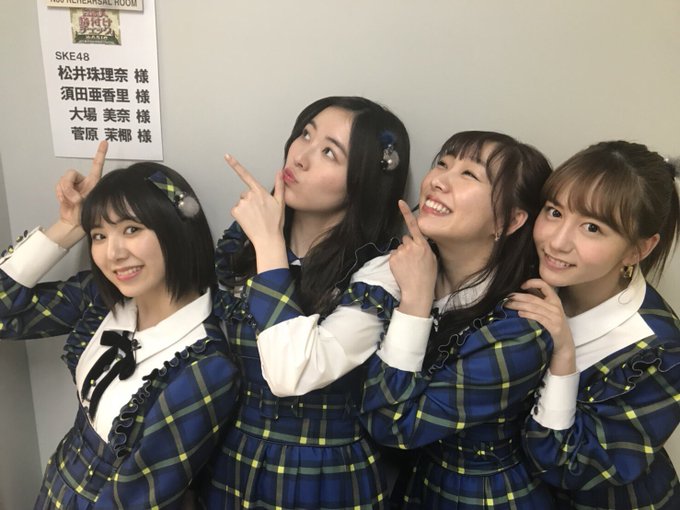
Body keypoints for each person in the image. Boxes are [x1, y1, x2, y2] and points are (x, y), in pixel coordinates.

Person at [0, 141, 240, 509]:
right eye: (99, 235)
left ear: (177, 230)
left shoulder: (204, 366)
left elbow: (138, 498)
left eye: (131, 229)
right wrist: (69, 226)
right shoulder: (101, 301)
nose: (113, 253)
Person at [198, 96, 410, 509]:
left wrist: (268, 243)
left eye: (330, 152)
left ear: (364, 180)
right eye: (306, 134)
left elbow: (290, 374)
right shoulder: (244, 243)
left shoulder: (380, 271)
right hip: (233, 456)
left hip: (322, 472)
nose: (300, 156)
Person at [360, 131, 556, 508]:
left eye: (469, 174)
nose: (438, 180)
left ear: (509, 220)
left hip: (483, 497)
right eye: (442, 163)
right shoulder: (404, 267)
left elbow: (393, 426)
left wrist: (416, 303)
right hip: (413, 487)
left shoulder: (519, 330)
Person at [506, 141, 680, 509]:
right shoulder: (528, 277)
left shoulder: (660, 350)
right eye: (554, 212)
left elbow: (572, 469)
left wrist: (563, 355)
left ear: (638, 250)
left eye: (592, 228)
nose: (557, 241)